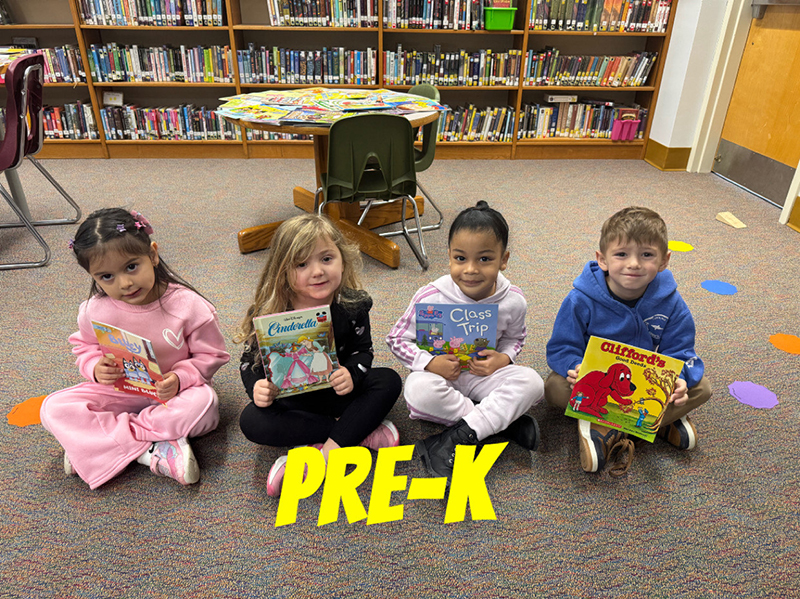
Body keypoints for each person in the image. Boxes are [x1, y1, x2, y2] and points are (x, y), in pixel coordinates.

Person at [40, 208, 230, 489]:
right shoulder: (95, 309)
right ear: (92, 276)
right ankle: (151, 448)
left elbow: (212, 355)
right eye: (106, 277)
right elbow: (84, 346)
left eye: (131, 267)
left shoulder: (189, 306)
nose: (125, 283)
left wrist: (180, 378)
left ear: (153, 254)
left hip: (175, 394)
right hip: (121, 390)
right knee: (53, 408)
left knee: (205, 406)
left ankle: (97, 445)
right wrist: (94, 367)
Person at [236, 214, 402, 497]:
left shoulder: (353, 304)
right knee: (251, 421)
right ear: (282, 271)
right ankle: (355, 432)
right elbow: (248, 362)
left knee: (389, 380)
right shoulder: (269, 311)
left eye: (327, 259)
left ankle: (323, 455)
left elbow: (364, 351)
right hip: (293, 401)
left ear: (342, 259)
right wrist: (257, 387)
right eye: (301, 264)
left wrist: (352, 371)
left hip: (339, 393)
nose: (317, 271)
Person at [545, 206, 712, 474]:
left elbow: (681, 350)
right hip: (600, 382)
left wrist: (678, 380)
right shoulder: (580, 299)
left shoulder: (671, 302)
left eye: (647, 255)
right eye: (621, 254)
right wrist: (575, 366)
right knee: (554, 387)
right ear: (602, 259)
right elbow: (562, 346)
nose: (633, 264)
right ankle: (657, 422)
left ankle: (607, 427)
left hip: (644, 385)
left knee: (701, 387)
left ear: (664, 261)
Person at [386, 200, 544, 480]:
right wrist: (430, 362)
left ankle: (457, 437)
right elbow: (397, 339)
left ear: (503, 259)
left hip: (483, 375)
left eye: (484, 259)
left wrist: (504, 358)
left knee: (533, 383)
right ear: (449, 257)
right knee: (417, 391)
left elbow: (515, 338)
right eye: (460, 258)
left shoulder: (514, 300)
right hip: (441, 377)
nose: (470, 269)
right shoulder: (430, 295)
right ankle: (498, 423)